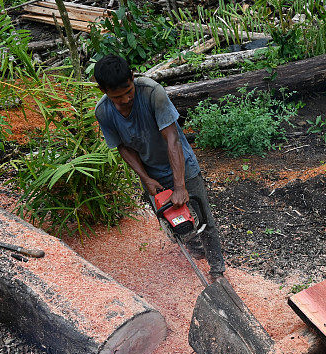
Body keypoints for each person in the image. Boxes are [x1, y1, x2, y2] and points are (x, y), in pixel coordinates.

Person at [93, 54, 226, 283]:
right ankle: (193, 247)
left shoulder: (153, 93)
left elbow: (172, 139)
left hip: (182, 166)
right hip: (150, 171)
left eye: (128, 91)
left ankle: (217, 269)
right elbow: (123, 148)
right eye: (117, 97)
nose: (125, 99)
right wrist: (145, 178)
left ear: (132, 77)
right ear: (103, 90)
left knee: (204, 218)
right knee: (173, 220)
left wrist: (180, 185)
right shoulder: (104, 112)